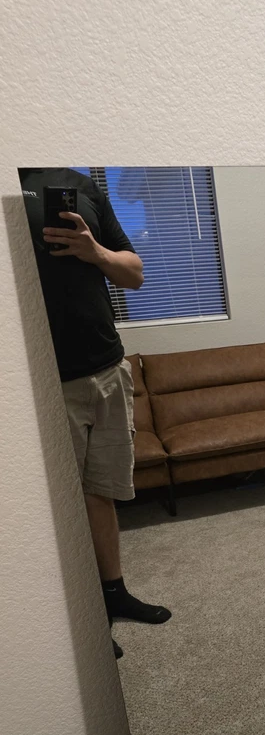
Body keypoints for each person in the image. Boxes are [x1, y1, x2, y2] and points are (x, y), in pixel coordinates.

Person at [19, 168, 171, 658]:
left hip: (107, 370)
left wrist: (94, 251)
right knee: (53, 513)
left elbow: (135, 274)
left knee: (100, 493)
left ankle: (113, 592)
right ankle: (80, 625)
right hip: (41, 383)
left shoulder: (79, 184)